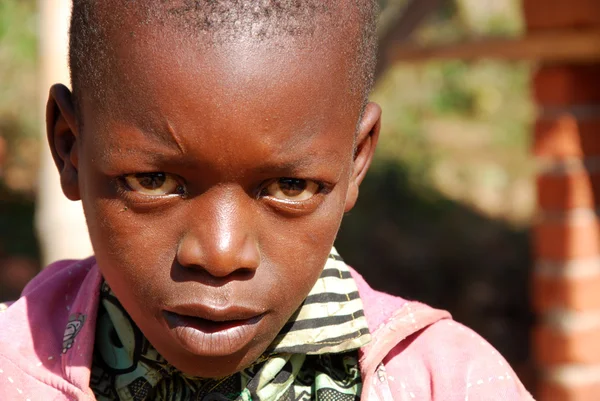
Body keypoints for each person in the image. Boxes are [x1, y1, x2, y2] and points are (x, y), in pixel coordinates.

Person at [0, 1, 534, 400]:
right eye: (155, 179)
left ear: (355, 161)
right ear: (70, 148)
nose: (221, 254)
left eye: (290, 187)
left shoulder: (450, 384)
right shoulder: (13, 370)